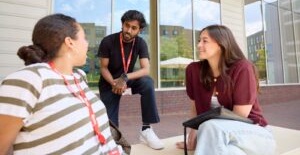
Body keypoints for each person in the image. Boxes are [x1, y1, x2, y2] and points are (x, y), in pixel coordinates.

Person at [0, 14, 125, 155]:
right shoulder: (29, 79)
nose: (87, 43)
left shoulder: (78, 77)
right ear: (70, 42)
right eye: (84, 38)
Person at [176, 25, 276, 155]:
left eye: (205, 41)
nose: (199, 45)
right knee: (229, 152)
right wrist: (193, 134)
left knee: (209, 126)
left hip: (254, 135)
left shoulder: (242, 67)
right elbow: (195, 108)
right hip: (217, 136)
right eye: (199, 41)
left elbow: (239, 117)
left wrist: (203, 133)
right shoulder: (194, 70)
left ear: (221, 44)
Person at [97, 10, 164, 150]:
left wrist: (124, 78)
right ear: (122, 24)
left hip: (126, 80)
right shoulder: (108, 41)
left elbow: (146, 69)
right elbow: (103, 68)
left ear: (140, 30)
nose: (128, 30)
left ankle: (146, 130)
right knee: (111, 126)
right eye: (126, 25)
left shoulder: (140, 43)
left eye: (134, 28)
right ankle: (113, 144)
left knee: (147, 82)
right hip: (109, 82)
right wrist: (114, 83)